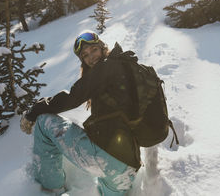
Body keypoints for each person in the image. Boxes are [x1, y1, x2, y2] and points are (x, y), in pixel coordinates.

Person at [20, 31, 142, 196]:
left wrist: (33, 111)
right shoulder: (124, 65)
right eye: (85, 55)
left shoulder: (106, 68)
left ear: (102, 47)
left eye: (93, 50)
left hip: (108, 160)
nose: (91, 57)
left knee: (43, 123)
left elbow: (71, 98)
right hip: (127, 168)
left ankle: (49, 189)